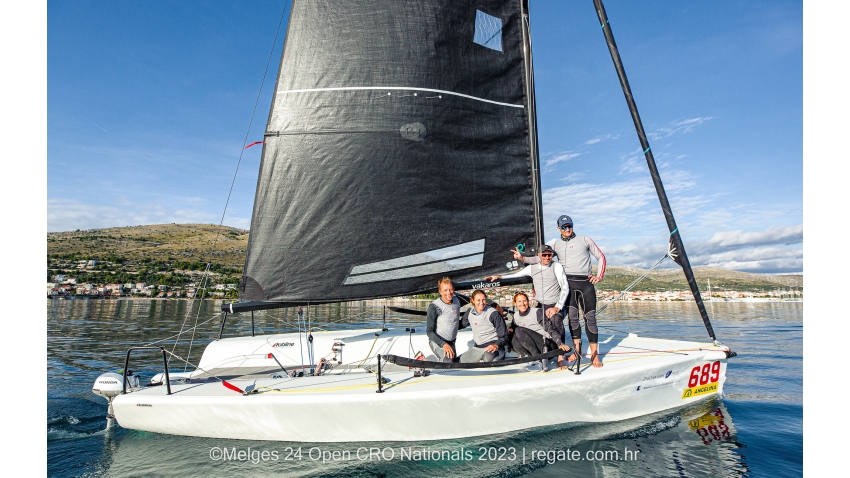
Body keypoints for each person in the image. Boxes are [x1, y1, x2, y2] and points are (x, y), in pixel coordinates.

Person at [513, 215, 606, 368]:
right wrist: (523, 258)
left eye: (569, 226)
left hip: (585, 284)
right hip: (569, 284)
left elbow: (601, 256)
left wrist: (599, 276)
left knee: (590, 318)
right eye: (564, 227)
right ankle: (576, 351)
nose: (567, 229)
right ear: (559, 229)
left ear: (572, 226)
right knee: (573, 319)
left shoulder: (584, 239)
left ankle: (594, 355)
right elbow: (541, 258)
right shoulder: (556, 245)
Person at [486, 244, 570, 367]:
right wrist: (499, 276)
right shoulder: (532, 268)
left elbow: (565, 287)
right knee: (532, 324)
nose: (547, 257)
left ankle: (560, 356)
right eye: (544, 255)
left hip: (554, 304)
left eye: (549, 255)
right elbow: (516, 275)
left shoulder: (556, 266)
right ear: (539, 255)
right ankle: (531, 352)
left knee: (555, 319)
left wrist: (557, 307)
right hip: (541, 304)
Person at [509, 291, 571, 371]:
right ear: (515, 303)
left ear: (528, 301)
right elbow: (512, 326)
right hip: (534, 346)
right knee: (511, 333)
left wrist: (560, 343)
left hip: (547, 346)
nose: (522, 304)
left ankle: (537, 359)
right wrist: (510, 328)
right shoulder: (516, 316)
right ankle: (526, 357)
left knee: (518, 330)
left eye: (524, 301)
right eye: (519, 301)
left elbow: (549, 328)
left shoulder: (537, 312)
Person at [457, 289, 508, 363]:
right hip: (478, 348)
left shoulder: (493, 314)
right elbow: (461, 324)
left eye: (483, 300)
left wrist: (496, 345)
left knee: (488, 359)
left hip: (494, 347)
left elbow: (504, 336)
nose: (481, 303)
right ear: (473, 301)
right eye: (478, 300)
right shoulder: (469, 313)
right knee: (457, 362)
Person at [425, 277, 461, 362]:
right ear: (440, 291)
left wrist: (492, 304)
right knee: (449, 362)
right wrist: (443, 344)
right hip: (438, 342)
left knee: (455, 363)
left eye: (451, 289)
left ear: (454, 290)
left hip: (451, 342)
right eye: (445, 290)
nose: (448, 292)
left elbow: (474, 299)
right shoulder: (434, 307)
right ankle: (425, 360)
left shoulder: (458, 300)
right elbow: (429, 331)